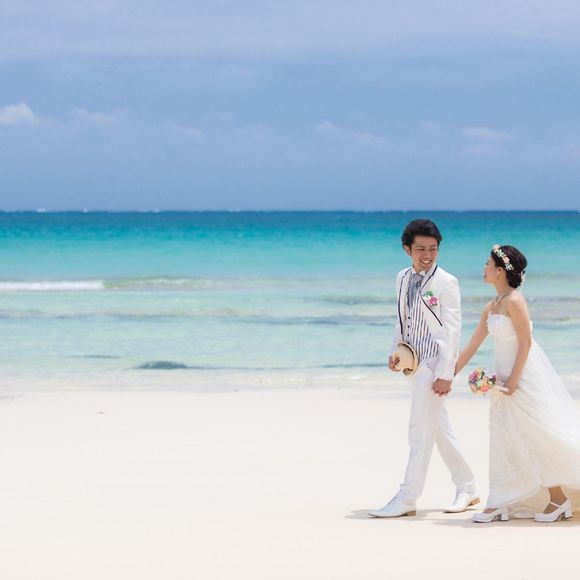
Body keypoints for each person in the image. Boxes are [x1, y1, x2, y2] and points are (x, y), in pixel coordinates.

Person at [455, 244, 580, 523]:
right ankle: (501, 501)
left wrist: (514, 379)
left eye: (487, 264)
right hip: (502, 382)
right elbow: (473, 343)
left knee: (537, 435)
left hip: (522, 377)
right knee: (506, 438)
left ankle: (558, 500)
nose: (484, 268)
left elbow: (526, 343)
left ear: (500, 270)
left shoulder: (515, 301)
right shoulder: (491, 307)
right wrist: (448, 373)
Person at [369, 219, 478, 518]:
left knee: (418, 432)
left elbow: (453, 329)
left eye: (433, 249)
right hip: (413, 365)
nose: (427, 255)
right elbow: (401, 319)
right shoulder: (402, 277)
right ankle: (467, 486)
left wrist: (445, 374)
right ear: (407, 249)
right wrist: (395, 352)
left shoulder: (446, 282)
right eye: (421, 249)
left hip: (433, 367)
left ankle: (407, 498)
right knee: (439, 429)